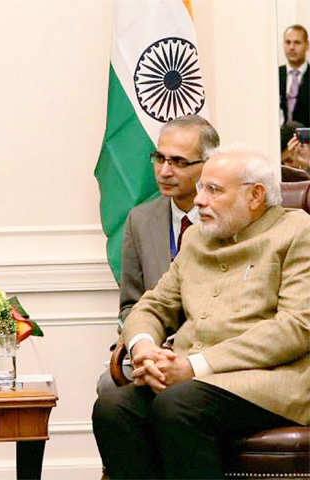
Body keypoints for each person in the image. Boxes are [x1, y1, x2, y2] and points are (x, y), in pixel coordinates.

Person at [92, 145, 309, 479]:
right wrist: (145, 348)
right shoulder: (196, 238)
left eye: (213, 190)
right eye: (200, 188)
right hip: (190, 378)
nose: (198, 201)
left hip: (266, 377)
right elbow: (154, 304)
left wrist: (193, 366)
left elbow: (295, 327)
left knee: (178, 404)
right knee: (113, 408)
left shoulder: (297, 232)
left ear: (255, 196)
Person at [94, 115, 219, 399]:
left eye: (178, 162)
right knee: (109, 387)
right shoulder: (140, 220)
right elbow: (130, 305)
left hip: (209, 352)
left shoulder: (227, 218)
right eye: (159, 158)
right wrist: (145, 347)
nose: (164, 171)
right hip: (154, 348)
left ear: (208, 165)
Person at [280, 24, 310, 126]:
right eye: (288, 42)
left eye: (297, 43)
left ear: (307, 45)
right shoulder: (274, 76)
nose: (291, 47)